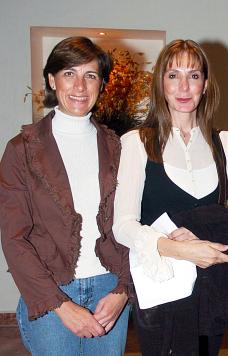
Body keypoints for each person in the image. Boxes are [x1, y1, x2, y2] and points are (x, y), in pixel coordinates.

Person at [112, 39, 228, 356]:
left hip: (211, 287)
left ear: (205, 83)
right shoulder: (137, 142)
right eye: (173, 75)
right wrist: (176, 248)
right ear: (160, 83)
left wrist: (220, 247)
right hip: (161, 287)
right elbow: (122, 225)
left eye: (194, 75)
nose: (184, 86)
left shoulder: (224, 143)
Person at [0, 37, 131, 356]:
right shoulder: (21, 150)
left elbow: (134, 223)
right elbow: (14, 239)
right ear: (51, 79)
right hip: (51, 288)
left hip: (109, 290)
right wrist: (61, 305)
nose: (80, 86)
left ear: (101, 83)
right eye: (69, 73)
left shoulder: (119, 147)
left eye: (90, 75)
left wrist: (124, 291)